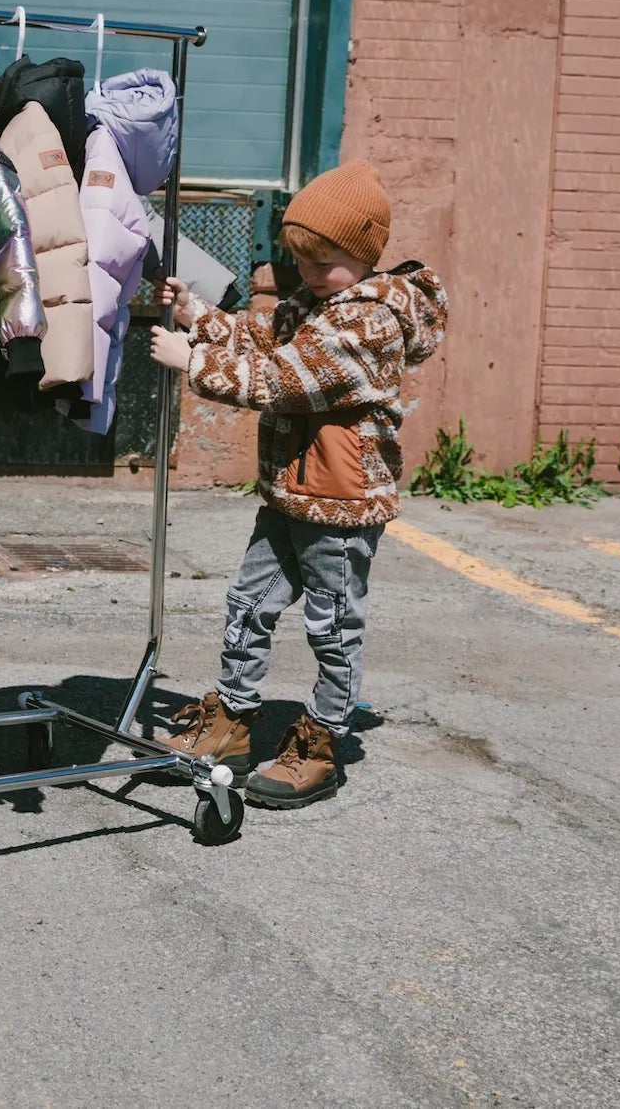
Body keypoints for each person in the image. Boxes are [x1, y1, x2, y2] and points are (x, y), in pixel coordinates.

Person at [146, 160, 446, 809]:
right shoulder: (317, 304)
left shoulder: (367, 323)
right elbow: (260, 336)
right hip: (289, 494)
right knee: (248, 603)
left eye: (323, 262)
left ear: (364, 254)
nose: (308, 273)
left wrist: (192, 361)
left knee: (332, 627)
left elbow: (285, 379)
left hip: (341, 503)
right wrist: (199, 316)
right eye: (300, 259)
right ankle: (232, 721)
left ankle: (321, 741)